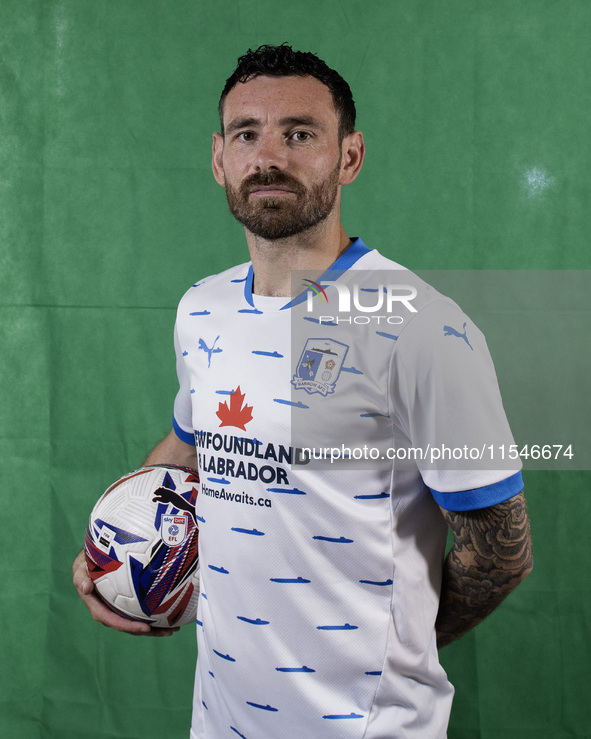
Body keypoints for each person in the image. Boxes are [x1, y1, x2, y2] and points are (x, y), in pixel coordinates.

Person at [73, 44, 533, 738]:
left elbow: (500, 548)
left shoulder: (420, 325)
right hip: (219, 720)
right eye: (245, 134)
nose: (268, 158)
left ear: (348, 157)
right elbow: (187, 448)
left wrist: (392, 645)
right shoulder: (203, 307)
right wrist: (111, 550)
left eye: (299, 134)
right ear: (219, 159)